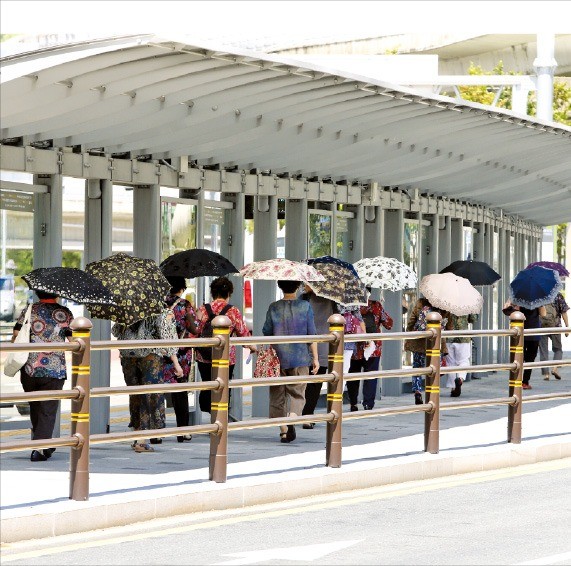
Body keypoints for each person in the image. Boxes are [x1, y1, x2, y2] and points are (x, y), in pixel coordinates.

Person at [11, 291, 74, 462]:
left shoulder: (29, 310)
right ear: (57, 294)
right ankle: (39, 449)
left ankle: (44, 443)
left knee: (36, 407)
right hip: (54, 370)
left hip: (30, 368)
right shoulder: (65, 313)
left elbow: (16, 335)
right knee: (47, 410)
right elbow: (73, 340)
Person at [112, 309, 183, 452]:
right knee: (150, 394)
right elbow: (167, 336)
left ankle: (137, 434)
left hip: (128, 355)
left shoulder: (126, 308)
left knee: (135, 394)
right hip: (150, 356)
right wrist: (176, 362)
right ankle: (142, 439)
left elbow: (116, 331)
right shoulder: (160, 310)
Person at [262, 280, 319, 443]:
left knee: (277, 395)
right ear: (297, 287)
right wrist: (315, 358)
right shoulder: (305, 306)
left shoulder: (274, 307)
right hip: (300, 356)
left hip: (277, 357)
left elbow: (266, 330)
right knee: (298, 393)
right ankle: (291, 417)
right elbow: (312, 334)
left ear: (280, 286)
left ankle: (284, 430)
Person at [195, 276, 256, 415]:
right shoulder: (233, 311)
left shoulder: (203, 309)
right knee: (223, 388)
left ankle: (209, 410)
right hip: (226, 358)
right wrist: (251, 346)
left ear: (212, 293)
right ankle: (219, 418)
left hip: (204, 356)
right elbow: (243, 333)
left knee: (207, 383)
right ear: (229, 293)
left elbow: (195, 332)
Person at [163, 276, 199, 443]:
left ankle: (157, 432)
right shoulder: (184, 305)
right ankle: (182, 431)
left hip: (161, 352)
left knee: (159, 391)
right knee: (181, 390)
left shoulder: (159, 303)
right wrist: (194, 316)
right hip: (181, 353)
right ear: (182, 288)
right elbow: (194, 328)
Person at [299, 283, 338, 428]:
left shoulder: (303, 298)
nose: (304, 285)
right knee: (315, 384)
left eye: (307, 283)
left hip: (304, 345)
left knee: (304, 382)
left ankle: (302, 414)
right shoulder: (332, 300)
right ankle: (307, 415)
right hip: (323, 346)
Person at [349, 288, 394, 410]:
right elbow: (389, 324)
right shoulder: (376, 306)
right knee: (371, 376)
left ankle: (353, 403)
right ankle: (368, 404)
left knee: (353, 375)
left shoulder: (351, 306)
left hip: (355, 347)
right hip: (373, 348)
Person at [404, 297, 453, 405]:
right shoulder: (445, 306)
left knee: (417, 367)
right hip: (436, 344)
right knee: (434, 369)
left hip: (419, 342)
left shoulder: (421, 302)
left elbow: (412, 320)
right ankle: (431, 393)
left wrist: (410, 331)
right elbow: (450, 328)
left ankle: (417, 391)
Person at [502, 300, 547, 390]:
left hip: (520, 332)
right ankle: (525, 382)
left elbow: (505, 310)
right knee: (530, 359)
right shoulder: (537, 299)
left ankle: (516, 381)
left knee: (518, 358)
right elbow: (543, 314)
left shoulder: (517, 297)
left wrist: (512, 304)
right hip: (533, 333)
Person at [338, 305, 366, 412]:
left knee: (339, 371)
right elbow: (359, 318)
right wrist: (365, 338)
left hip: (332, 337)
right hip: (348, 338)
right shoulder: (351, 299)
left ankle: (336, 401)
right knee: (344, 370)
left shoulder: (331, 296)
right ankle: (337, 401)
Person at [446, 313, 478, 397]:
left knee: (450, 363)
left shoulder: (446, 302)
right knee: (463, 361)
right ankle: (460, 378)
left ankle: (453, 388)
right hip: (463, 337)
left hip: (449, 336)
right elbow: (473, 319)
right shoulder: (466, 303)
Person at [539, 292, 569, 381]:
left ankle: (546, 374)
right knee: (558, 349)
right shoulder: (557, 295)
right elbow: (564, 312)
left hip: (541, 326)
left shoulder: (540, 295)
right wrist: (567, 326)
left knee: (543, 351)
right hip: (555, 326)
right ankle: (555, 368)